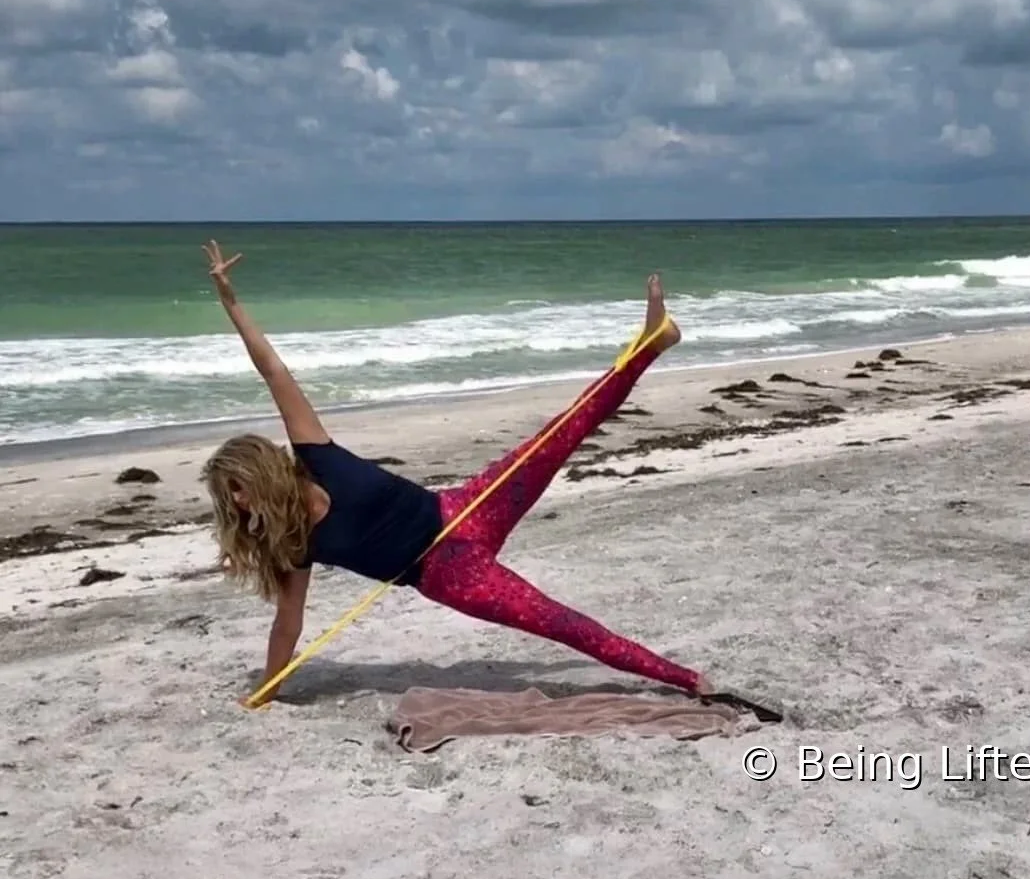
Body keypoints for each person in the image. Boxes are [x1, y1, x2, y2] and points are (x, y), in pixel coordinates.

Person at [199, 240, 725, 708]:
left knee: (564, 429)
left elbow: (273, 370)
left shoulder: (316, 453)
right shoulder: (294, 545)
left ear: (257, 473)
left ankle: (653, 341)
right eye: (230, 498)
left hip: (468, 505)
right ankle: (685, 678)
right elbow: (289, 622)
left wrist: (231, 302)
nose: (236, 502)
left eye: (235, 488)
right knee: (564, 625)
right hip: (452, 578)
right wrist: (267, 688)